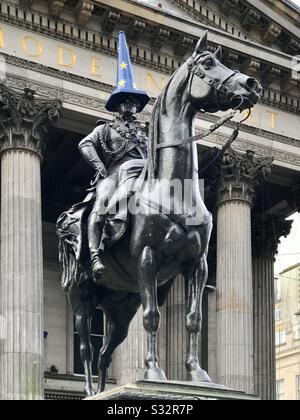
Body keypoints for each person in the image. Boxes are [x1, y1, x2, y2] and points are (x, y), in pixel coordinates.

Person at [78, 32, 150, 279]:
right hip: (115, 174)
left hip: (143, 174)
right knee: (101, 204)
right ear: (117, 105)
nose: (130, 104)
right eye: (125, 100)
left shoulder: (145, 133)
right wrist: (99, 168)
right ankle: (95, 254)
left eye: (133, 101)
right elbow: (85, 144)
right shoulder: (105, 129)